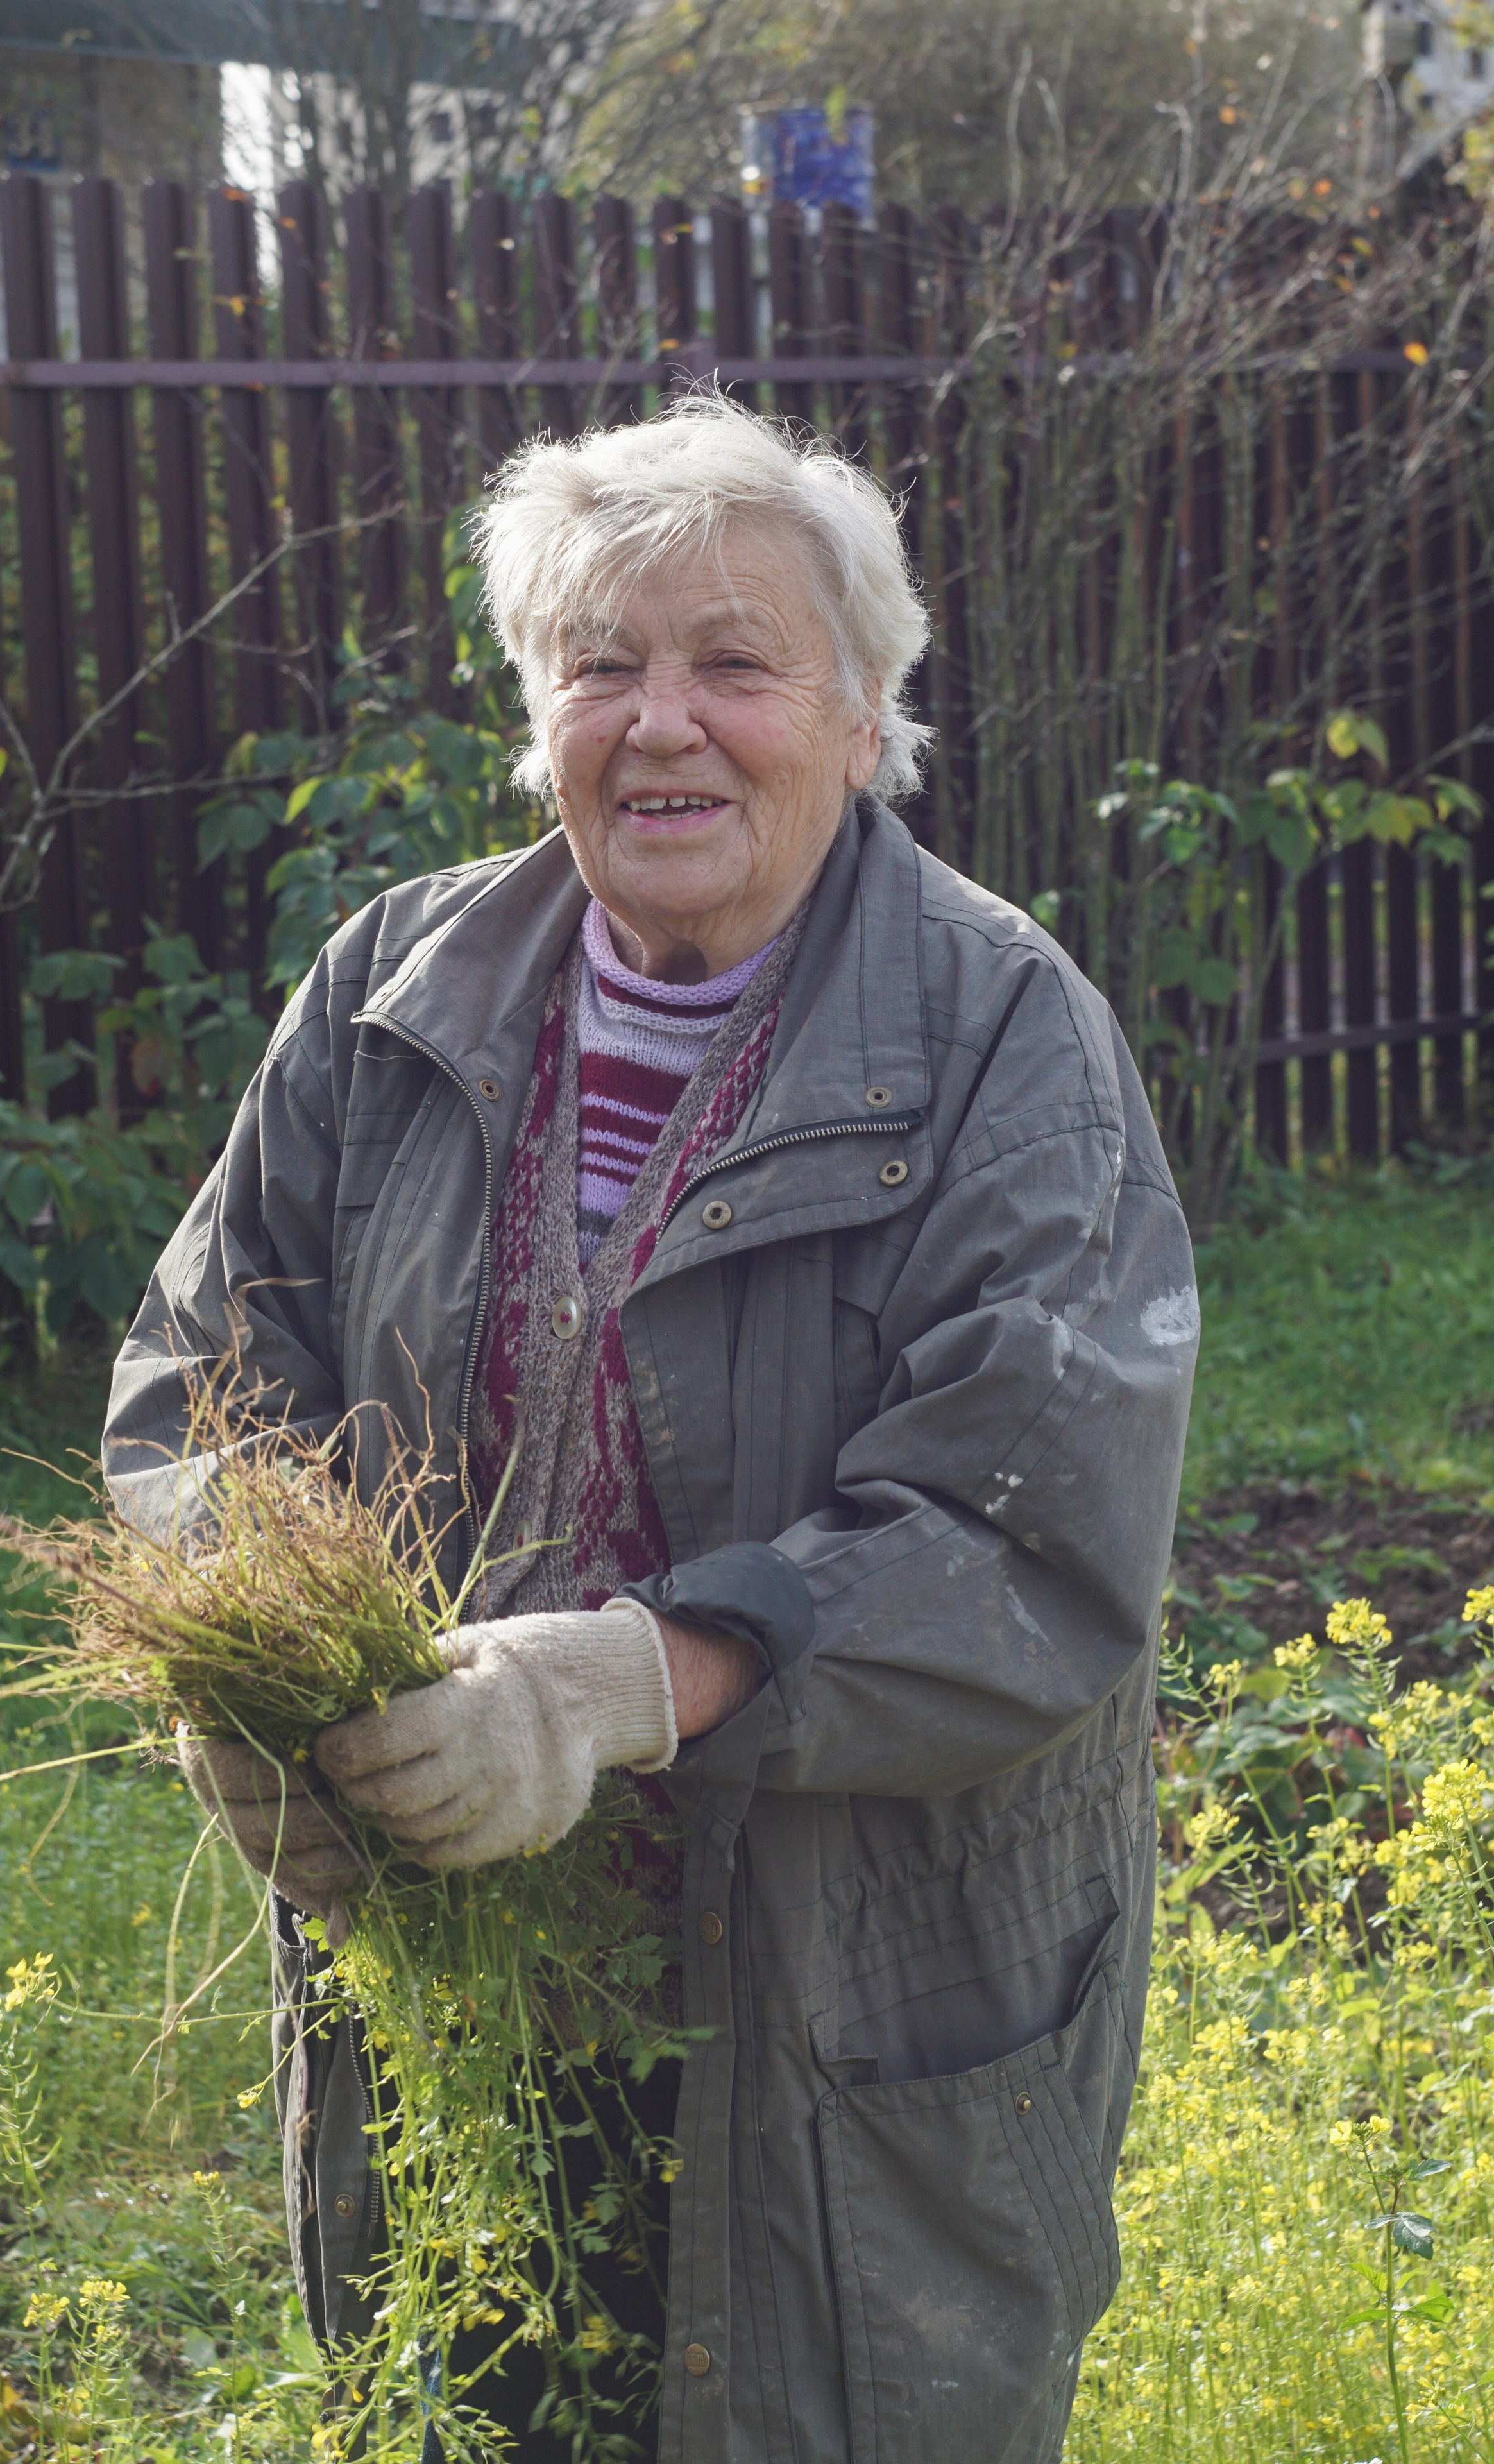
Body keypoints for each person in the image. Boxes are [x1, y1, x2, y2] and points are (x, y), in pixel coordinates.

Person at [103, 392, 1198, 2464]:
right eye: (601, 664)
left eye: (736, 662)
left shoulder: (1003, 1033)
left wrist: (621, 1684)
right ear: (537, 717)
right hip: (451, 1962)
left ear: (865, 715)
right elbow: (203, 1386)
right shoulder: (386, 991)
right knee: (467, 2402)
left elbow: (1030, 1529)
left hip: (848, 2014)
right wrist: (249, 1675)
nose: (661, 723)